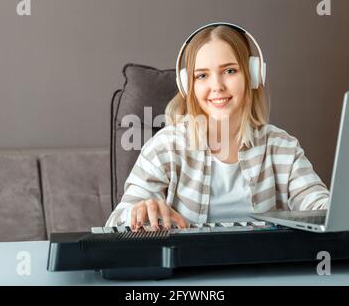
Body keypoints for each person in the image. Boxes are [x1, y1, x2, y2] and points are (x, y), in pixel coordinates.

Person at [106, 23, 329, 230]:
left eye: (230, 71)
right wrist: (140, 212)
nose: (217, 86)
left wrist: (336, 209)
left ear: (252, 75)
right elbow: (116, 221)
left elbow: (320, 206)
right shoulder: (166, 147)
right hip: (189, 270)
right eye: (202, 75)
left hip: (266, 268)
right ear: (188, 86)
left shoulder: (282, 148)